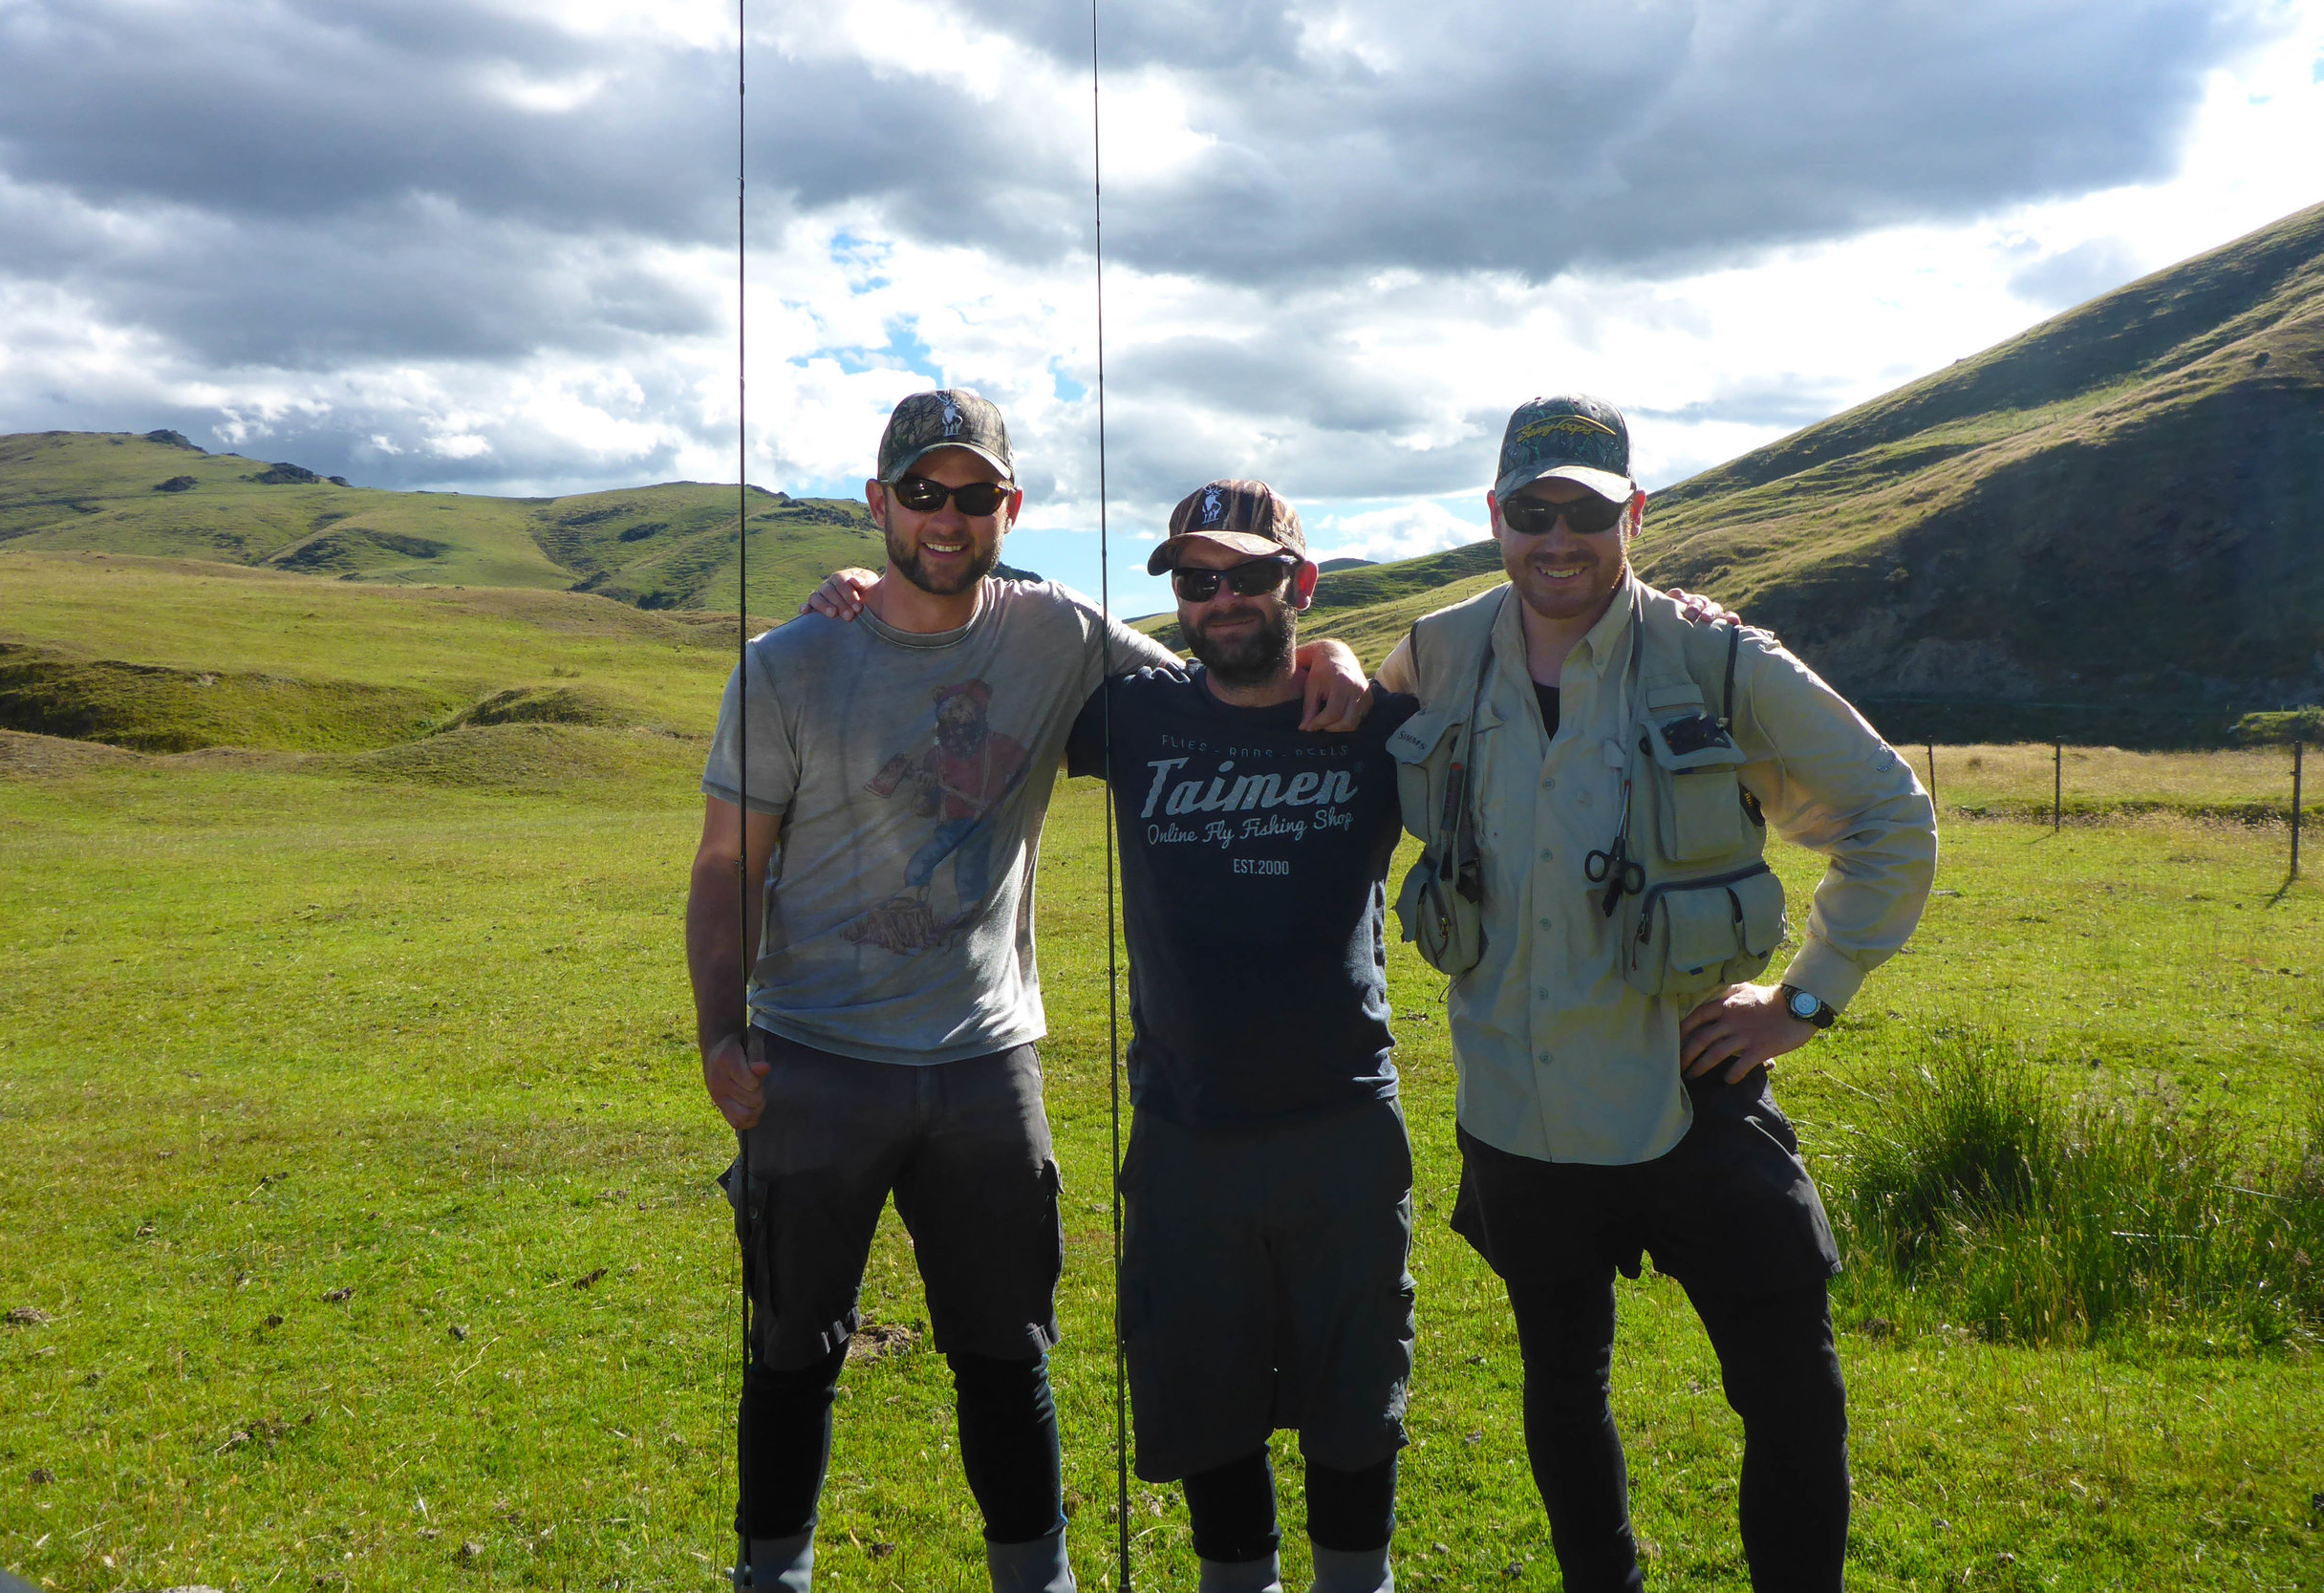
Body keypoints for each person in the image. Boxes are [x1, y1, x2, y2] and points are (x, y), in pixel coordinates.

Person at [687, 390, 1369, 1593]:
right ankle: (771, 1571)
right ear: (877, 500)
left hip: (984, 1059)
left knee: (1008, 1349)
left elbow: (1220, 683)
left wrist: (1335, 655)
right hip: (813, 1055)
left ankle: (1035, 1575)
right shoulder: (788, 660)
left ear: (1011, 505)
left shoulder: (1056, 628)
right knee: (790, 1342)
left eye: (970, 494)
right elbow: (726, 864)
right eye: (919, 492)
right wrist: (717, 1029)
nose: (943, 519)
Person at [1377, 395, 1937, 1592]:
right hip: (1515, 1104)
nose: (1559, 537)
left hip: (1689, 1087)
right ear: (1495, 517)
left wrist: (1803, 999)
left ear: (1634, 512)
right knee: (1561, 1385)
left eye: (1588, 509)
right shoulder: (1432, 652)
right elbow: (1343, 741)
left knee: (1792, 1387)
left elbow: (1889, 815)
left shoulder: (1717, 656)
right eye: (1535, 510)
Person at [1061, 481, 1419, 1593]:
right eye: (1196, 579)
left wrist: (1358, 661)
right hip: (1184, 1127)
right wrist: (862, 585)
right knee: (1204, 1394)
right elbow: (980, 621)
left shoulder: (1381, 726)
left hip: (1344, 1117)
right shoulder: (1132, 710)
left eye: (1249, 575)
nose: (1221, 599)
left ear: (1297, 584)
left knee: (1356, 1400)